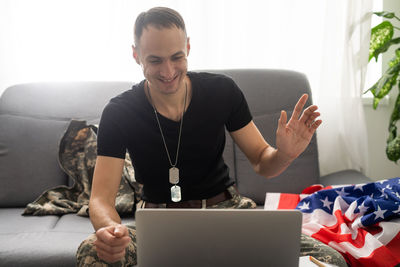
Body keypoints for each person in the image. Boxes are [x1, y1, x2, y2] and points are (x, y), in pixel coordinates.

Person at [76, 6, 347, 267]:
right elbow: (101, 199)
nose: (168, 71)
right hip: (159, 223)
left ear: (189, 48)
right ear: (136, 55)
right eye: (155, 60)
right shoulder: (119, 111)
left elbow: (263, 161)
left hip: (228, 214)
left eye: (177, 57)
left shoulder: (222, 91)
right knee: (92, 252)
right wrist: (111, 230)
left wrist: (285, 154)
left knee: (328, 259)